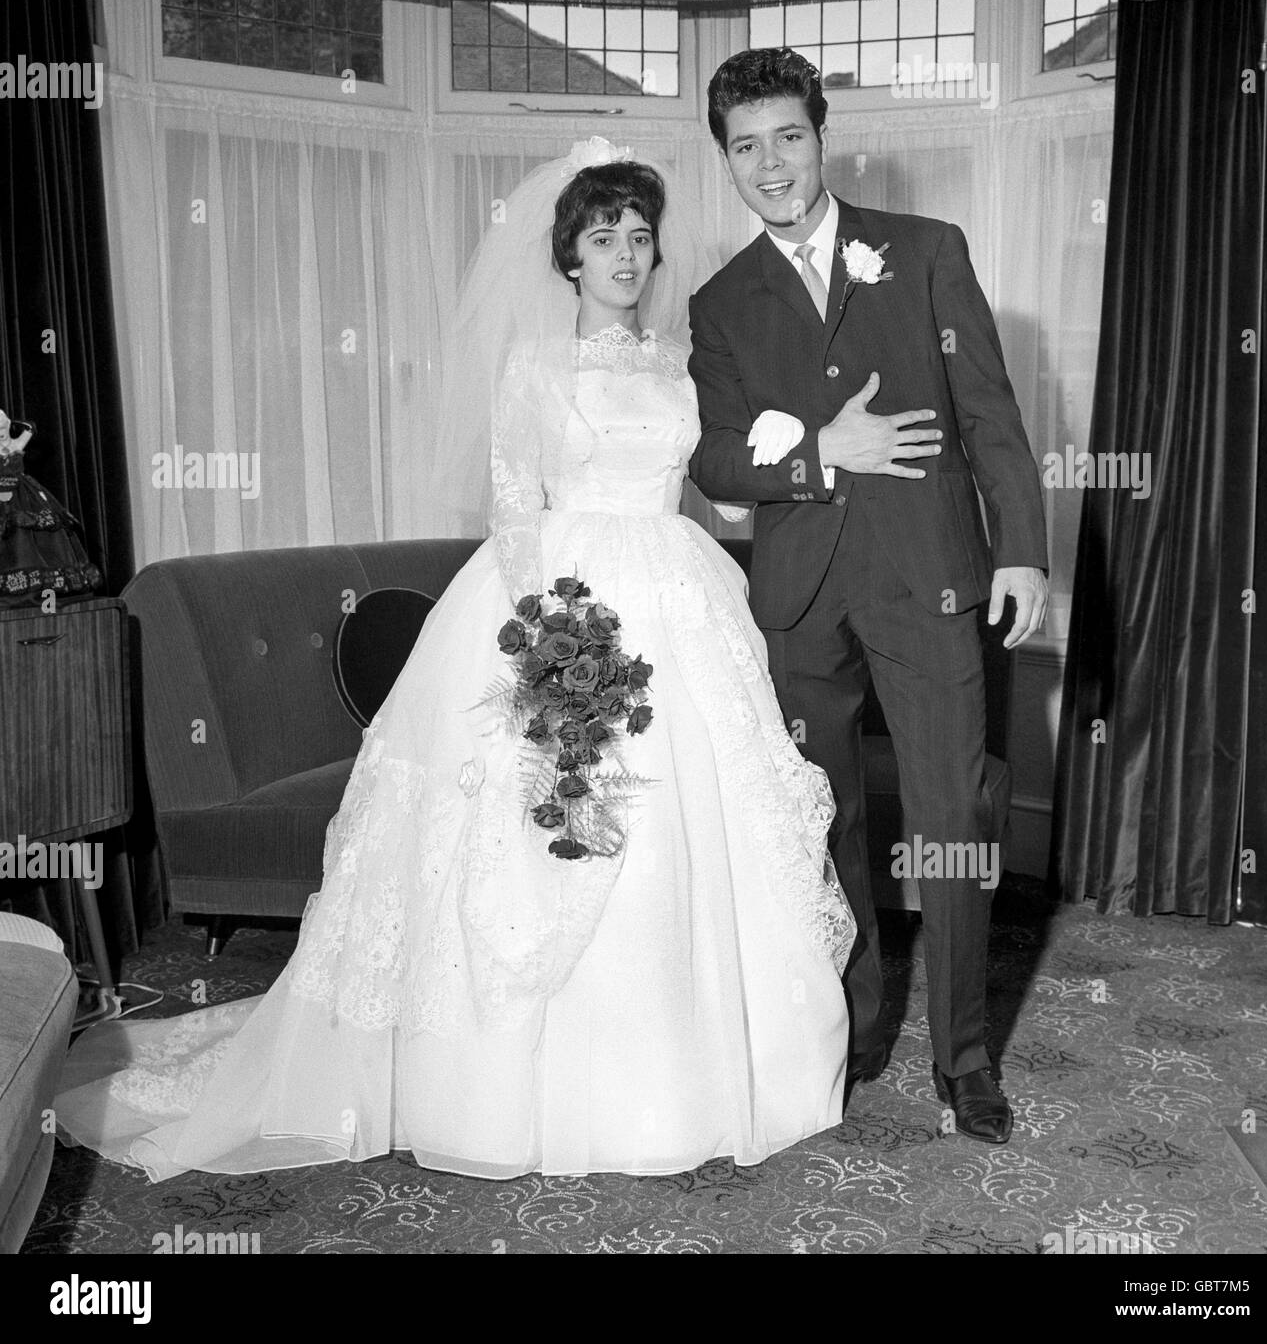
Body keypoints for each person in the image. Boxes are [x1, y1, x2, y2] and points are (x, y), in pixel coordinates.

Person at [53, 141, 856, 1182]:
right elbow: (514, 502)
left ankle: (707, 1075)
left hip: (682, 591)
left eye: (639, 236)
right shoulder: (534, 364)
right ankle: (508, 1088)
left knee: (698, 824)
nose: (625, 254)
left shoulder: (679, 362)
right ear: (566, 257)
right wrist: (557, 647)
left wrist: (805, 441)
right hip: (566, 601)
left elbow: (722, 491)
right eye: (603, 236)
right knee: (559, 822)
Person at [688, 49, 1049, 1144]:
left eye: (786, 137)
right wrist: (818, 456)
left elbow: (988, 408)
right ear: (727, 162)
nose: (770, 164)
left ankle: (963, 1059)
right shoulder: (719, 302)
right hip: (797, 601)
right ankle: (850, 1027)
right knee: (824, 825)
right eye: (744, 147)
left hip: (928, 580)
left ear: (821, 135)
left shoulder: (926, 252)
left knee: (951, 824)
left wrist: (1021, 550)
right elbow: (714, 462)